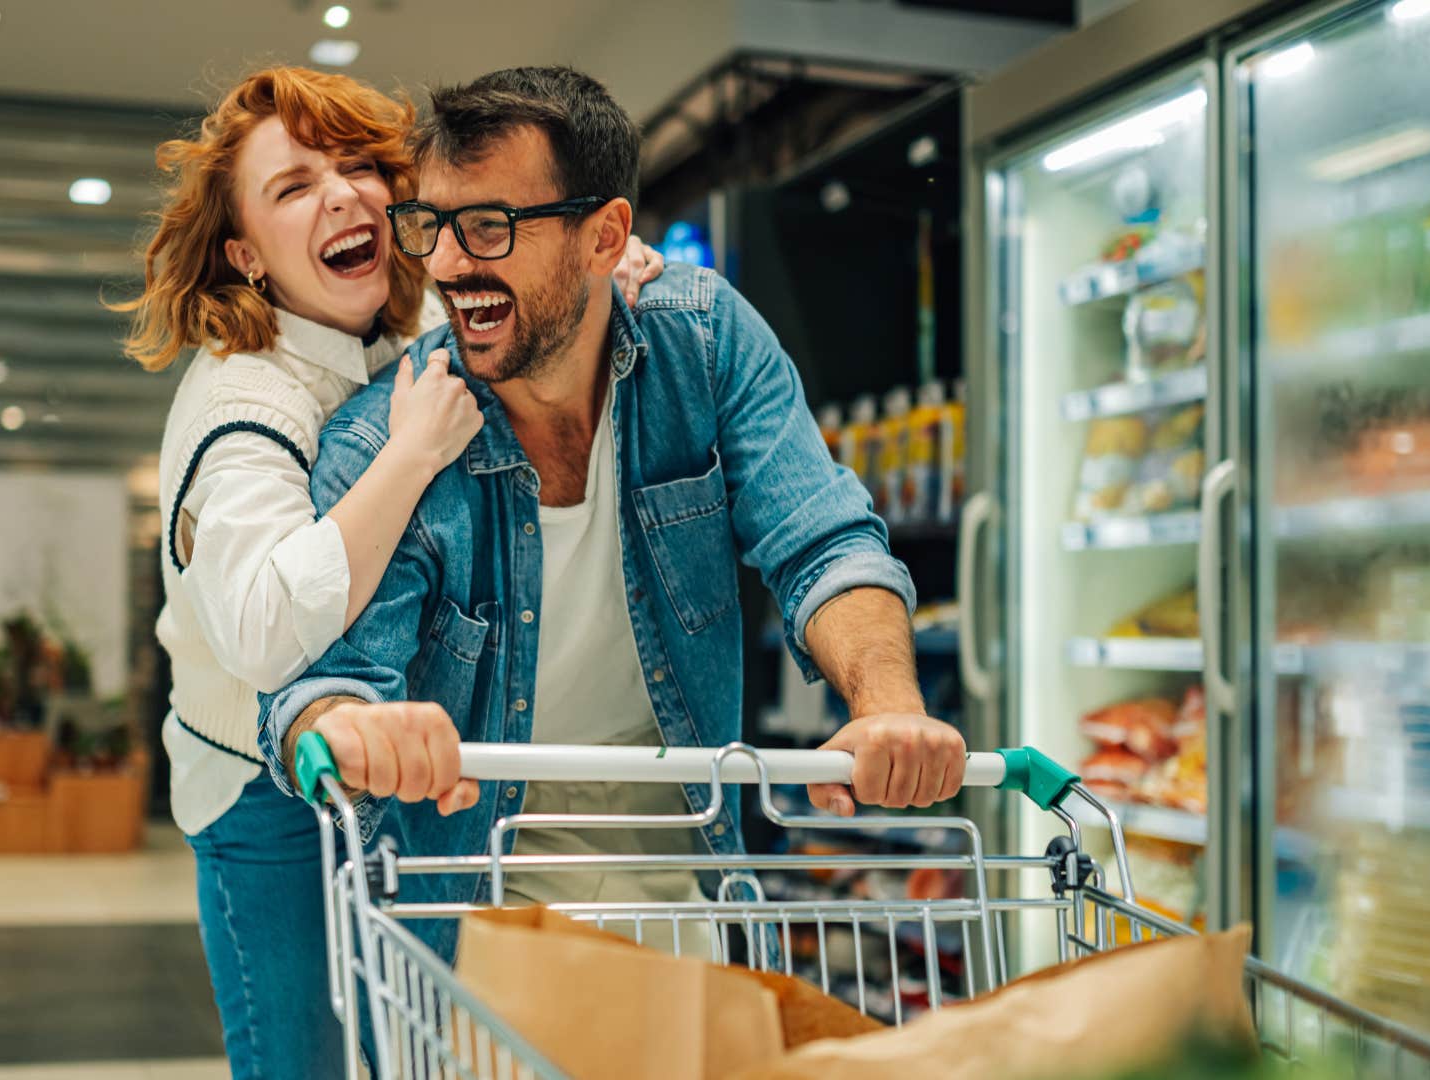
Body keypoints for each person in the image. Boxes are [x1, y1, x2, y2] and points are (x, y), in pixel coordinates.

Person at [259, 66, 966, 966]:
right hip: (476, 924)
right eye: (430, 226)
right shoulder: (383, 445)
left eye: (489, 226)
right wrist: (353, 727)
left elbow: (820, 539)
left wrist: (887, 703)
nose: (444, 263)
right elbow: (324, 686)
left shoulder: (703, 347)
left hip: (690, 900)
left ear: (606, 237)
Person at [113, 66, 661, 1077]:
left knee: (402, 1042)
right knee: (300, 1059)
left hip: (382, 752)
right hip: (259, 790)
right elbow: (266, 629)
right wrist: (409, 457)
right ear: (246, 254)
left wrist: (592, 275)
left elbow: (515, 306)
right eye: (293, 187)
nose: (343, 195)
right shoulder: (244, 406)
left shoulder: (385, 327)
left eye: (360, 165)